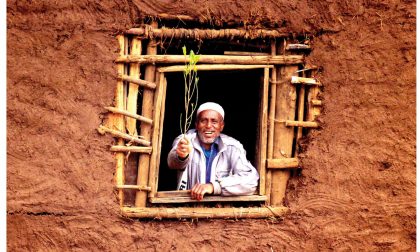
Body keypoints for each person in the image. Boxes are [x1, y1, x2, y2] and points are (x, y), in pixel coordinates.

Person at [167, 102, 259, 201]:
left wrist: (213, 187)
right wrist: (181, 156)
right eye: (203, 121)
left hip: (222, 210)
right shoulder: (185, 140)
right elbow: (173, 163)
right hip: (188, 206)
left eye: (214, 121)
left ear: (221, 126)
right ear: (196, 125)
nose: (208, 125)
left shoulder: (232, 147)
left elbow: (251, 181)